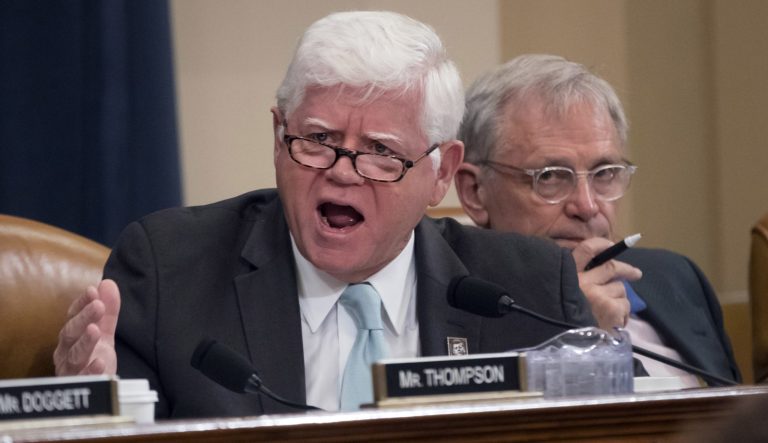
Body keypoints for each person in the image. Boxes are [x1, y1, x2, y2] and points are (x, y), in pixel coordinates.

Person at [53, 14, 595, 418]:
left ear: (442, 172)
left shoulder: (528, 293)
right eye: (317, 139)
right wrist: (87, 410)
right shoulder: (170, 272)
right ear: (278, 137)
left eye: (381, 150)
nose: (342, 172)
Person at [455, 54, 740, 384]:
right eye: (550, 176)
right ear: (475, 191)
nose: (587, 206)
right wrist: (576, 334)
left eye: (604, 173)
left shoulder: (675, 277)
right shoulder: (452, 310)